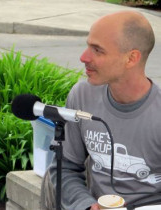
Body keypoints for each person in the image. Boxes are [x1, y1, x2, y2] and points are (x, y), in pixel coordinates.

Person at [41, 10, 161, 210]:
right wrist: (86, 205)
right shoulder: (82, 95)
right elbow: (66, 168)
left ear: (131, 58)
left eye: (98, 50)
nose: (83, 57)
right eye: (88, 46)